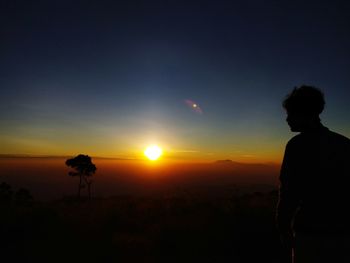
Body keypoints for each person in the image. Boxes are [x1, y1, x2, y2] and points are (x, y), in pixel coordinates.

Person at [276, 85, 350, 263]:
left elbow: (288, 195)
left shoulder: (297, 145)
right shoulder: (345, 144)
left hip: (311, 235)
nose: (287, 119)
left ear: (305, 113)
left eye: (291, 114)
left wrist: (284, 231)